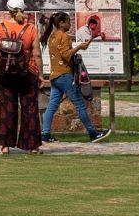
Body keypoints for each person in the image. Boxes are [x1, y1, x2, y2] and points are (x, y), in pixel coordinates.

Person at [41, 11, 111, 145]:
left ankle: (45, 134)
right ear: (62, 23)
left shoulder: (52, 37)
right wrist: (79, 47)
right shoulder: (65, 37)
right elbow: (66, 55)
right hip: (64, 76)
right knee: (79, 103)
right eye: (68, 22)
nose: (70, 24)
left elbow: (60, 54)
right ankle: (93, 133)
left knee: (52, 106)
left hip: (54, 76)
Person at [0, 0, 41, 154]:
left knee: (7, 110)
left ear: (8, 10)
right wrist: (41, 74)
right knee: (30, 109)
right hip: (27, 73)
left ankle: (5, 146)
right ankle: (33, 146)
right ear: (23, 10)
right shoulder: (30, 28)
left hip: (5, 74)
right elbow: (37, 54)